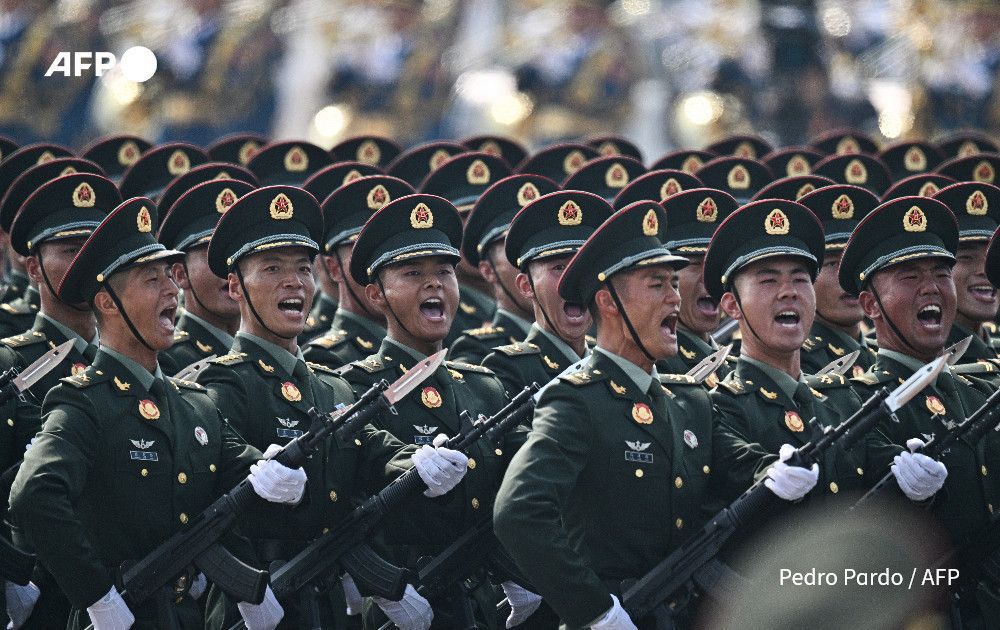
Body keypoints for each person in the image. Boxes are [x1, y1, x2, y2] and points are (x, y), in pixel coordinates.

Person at [8, 196, 307, 630]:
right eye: (152, 280)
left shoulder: (194, 403)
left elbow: (237, 483)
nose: (173, 291)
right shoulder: (83, 402)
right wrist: (96, 595)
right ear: (108, 302)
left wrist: (281, 474)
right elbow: (32, 495)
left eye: (170, 276)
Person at [494, 200, 776, 630]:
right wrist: (593, 611)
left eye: (673, 283)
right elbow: (518, 511)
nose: (674, 297)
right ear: (609, 302)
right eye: (657, 285)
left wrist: (785, 470)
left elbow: (744, 466)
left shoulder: (690, 400)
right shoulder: (576, 400)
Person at [197, 184, 469, 629]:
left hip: (326, 608)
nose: (293, 282)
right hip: (251, 609)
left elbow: (373, 450)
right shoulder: (225, 382)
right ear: (235, 286)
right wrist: (243, 591)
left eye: (304, 269)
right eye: (272, 268)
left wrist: (420, 462)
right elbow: (203, 499)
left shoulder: (331, 387)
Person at [338, 193, 535, 629]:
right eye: (413, 274)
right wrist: (383, 587)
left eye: (444, 272)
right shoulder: (356, 388)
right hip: (404, 606)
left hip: (483, 606)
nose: (434, 285)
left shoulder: (483, 386)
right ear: (376, 294)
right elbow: (338, 506)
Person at [704, 199, 940, 505]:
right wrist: (769, 479)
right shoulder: (721, 408)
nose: (789, 292)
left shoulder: (841, 398)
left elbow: (881, 464)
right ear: (732, 305)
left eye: (800, 279)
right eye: (768, 280)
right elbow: (743, 468)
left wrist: (915, 475)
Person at [841, 196, 1000, 628]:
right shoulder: (854, 405)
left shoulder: (980, 391)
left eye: (942, 274)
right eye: (910, 276)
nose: (931, 288)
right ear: (870, 305)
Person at [482, 188, 610, 397]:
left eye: (584, 266)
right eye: (559, 268)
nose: (573, 280)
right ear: (526, 286)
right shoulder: (509, 369)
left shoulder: (610, 362)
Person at [303, 175, 415, 369]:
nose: (380, 268)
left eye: (394, 258)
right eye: (364, 256)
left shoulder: (425, 342)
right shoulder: (328, 359)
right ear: (334, 268)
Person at [156, 178, 256, 374]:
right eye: (215, 256)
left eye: (242, 255)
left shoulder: (271, 351)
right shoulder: (169, 360)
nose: (231, 268)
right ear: (180, 274)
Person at [653, 188, 739, 381]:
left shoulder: (733, 366)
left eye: (716, 265)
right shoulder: (657, 367)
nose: (708, 277)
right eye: (694, 264)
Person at [796, 184, 881, 376]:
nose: (848, 275)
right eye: (833, 264)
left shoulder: (883, 354)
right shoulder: (798, 361)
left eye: (857, 262)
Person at [932, 182, 1000, 376]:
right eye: (967, 258)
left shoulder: (992, 346)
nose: (985, 270)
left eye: (993, 258)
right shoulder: (929, 361)